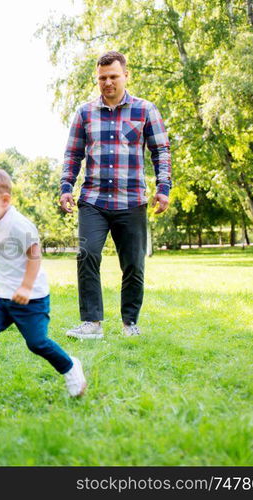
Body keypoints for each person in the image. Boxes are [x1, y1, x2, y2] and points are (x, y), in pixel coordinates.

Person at [0, 167, 86, 399]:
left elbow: (34, 254)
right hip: (4, 297)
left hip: (31, 299)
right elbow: (8, 253)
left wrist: (26, 286)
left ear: (5, 200)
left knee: (37, 343)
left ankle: (71, 367)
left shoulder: (18, 224)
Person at [60, 51, 171, 339]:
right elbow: (73, 154)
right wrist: (65, 187)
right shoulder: (85, 112)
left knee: (133, 264)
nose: (108, 82)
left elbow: (160, 151)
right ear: (97, 78)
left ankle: (129, 323)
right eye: (102, 78)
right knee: (87, 255)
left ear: (125, 75)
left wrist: (163, 188)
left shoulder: (145, 110)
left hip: (131, 200)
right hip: (93, 200)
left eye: (113, 76)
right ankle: (91, 324)